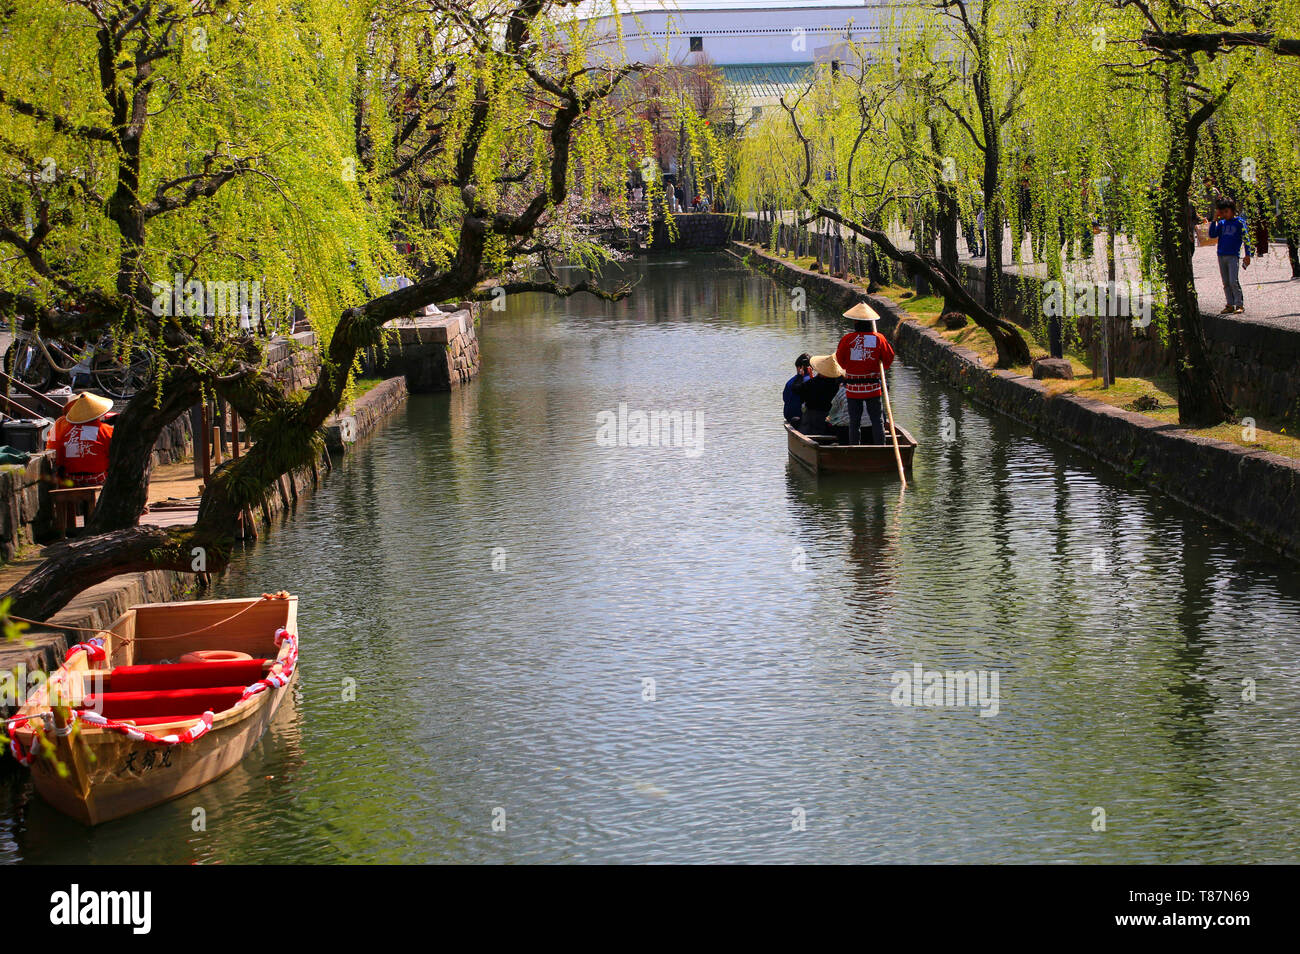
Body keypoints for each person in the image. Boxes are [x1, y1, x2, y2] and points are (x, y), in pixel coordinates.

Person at [835, 302, 896, 445]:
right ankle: (881, 447)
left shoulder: (847, 339)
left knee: (854, 421)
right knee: (877, 420)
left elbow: (840, 360)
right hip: (873, 387)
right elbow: (889, 358)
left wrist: (851, 368)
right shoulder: (879, 338)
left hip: (853, 388)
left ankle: (854, 448)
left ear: (855, 322)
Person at [46, 391, 114, 486]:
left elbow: (51, 450)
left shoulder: (59, 425)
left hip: (68, 479)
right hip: (98, 478)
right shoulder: (106, 430)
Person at [1209, 197, 1252, 314]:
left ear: (1233, 210)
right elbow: (1212, 234)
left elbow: (1246, 239)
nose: (1224, 214)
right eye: (1221, 212)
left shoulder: (1239, 222)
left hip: (1233, 256)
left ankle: (1239, 304)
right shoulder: (1221, 223)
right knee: (1226, 282)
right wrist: (1214, 220)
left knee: (1233, 280)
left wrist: (1248, 255)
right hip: (1221, 255)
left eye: (1226, 212)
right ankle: (1229, 304)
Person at [796, 354, 844, 436]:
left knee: (796, 421)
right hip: (829, 418)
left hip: (812, 419)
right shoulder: (837, 383)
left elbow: (797, 389)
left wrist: (800, 376)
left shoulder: (812, 383)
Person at [783, 353, 812, 427]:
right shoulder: (813, 381)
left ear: (798, 368)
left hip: (789, 416)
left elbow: (785, 399)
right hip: (804, 417)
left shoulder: (789, 382)